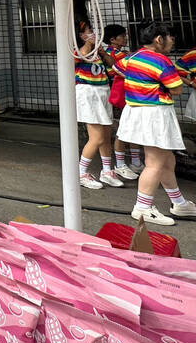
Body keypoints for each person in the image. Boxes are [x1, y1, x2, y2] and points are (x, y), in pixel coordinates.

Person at [117, 20, 196, 226]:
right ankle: (142, 208)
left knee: (167, 160)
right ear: (159, 39)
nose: (173, 42)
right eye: (170, 38)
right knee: (154, 163)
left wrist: (142, 83)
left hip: (137, 112)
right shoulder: (161, 61)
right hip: (155, 115)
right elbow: (177, 89)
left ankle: (179, 203)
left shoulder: (131, 57)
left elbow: (117, 68)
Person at [74, 27, 124, 189]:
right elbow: (77, 58)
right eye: (88, 32)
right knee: (96, 137)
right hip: (88, 93)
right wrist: (89, 43)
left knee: (106, 134)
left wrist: (102, 52)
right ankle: (81, 173)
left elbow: (114, 65)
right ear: (80, 36)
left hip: (103, 91)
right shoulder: (77, 49)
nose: (93, 34)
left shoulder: (98, 51)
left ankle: (107, 170)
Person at [102, 23, 142, 181]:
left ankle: (135, 162)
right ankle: (121, 165)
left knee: (132, 128)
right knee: (124, 129)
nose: (125, 38)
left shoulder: (117, 52)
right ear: (112, 39)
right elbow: (124, 66)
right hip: (120, 94)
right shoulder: (114, 53)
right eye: (122, 36)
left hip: (125, 93)